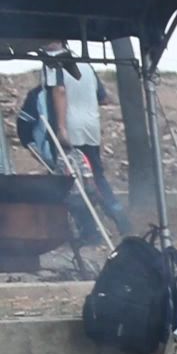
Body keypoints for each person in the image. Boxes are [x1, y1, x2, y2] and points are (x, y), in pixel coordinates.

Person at [34, 42, 131, 238]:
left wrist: (61, 127)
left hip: (69, 128)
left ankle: (89, 231)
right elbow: (103, 97)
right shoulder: (86, 65)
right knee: (96, 176)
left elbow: (59, 91)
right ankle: (119, 216)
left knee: (70, 181)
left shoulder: (53, 63)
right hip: (90, 129)